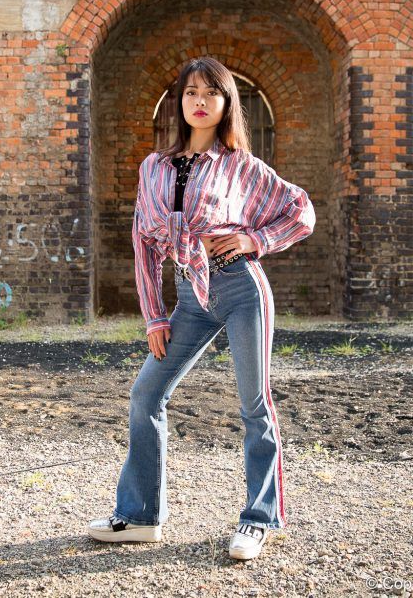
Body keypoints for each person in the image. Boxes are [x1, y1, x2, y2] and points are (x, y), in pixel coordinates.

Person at [87, 56, 315, 561]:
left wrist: (255, 238)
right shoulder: (154, 167)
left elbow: (302, 211)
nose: (199, 101)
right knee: (146, 393)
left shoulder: (243, 167)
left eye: (211, 93)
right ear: (179, 102)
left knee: (254, 405)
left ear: (226, 103)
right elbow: (143, 244)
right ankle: (142, 515)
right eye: (190, 92)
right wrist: (154, 316)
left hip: (240, 290)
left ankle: (258, 520)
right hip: (190, 299)